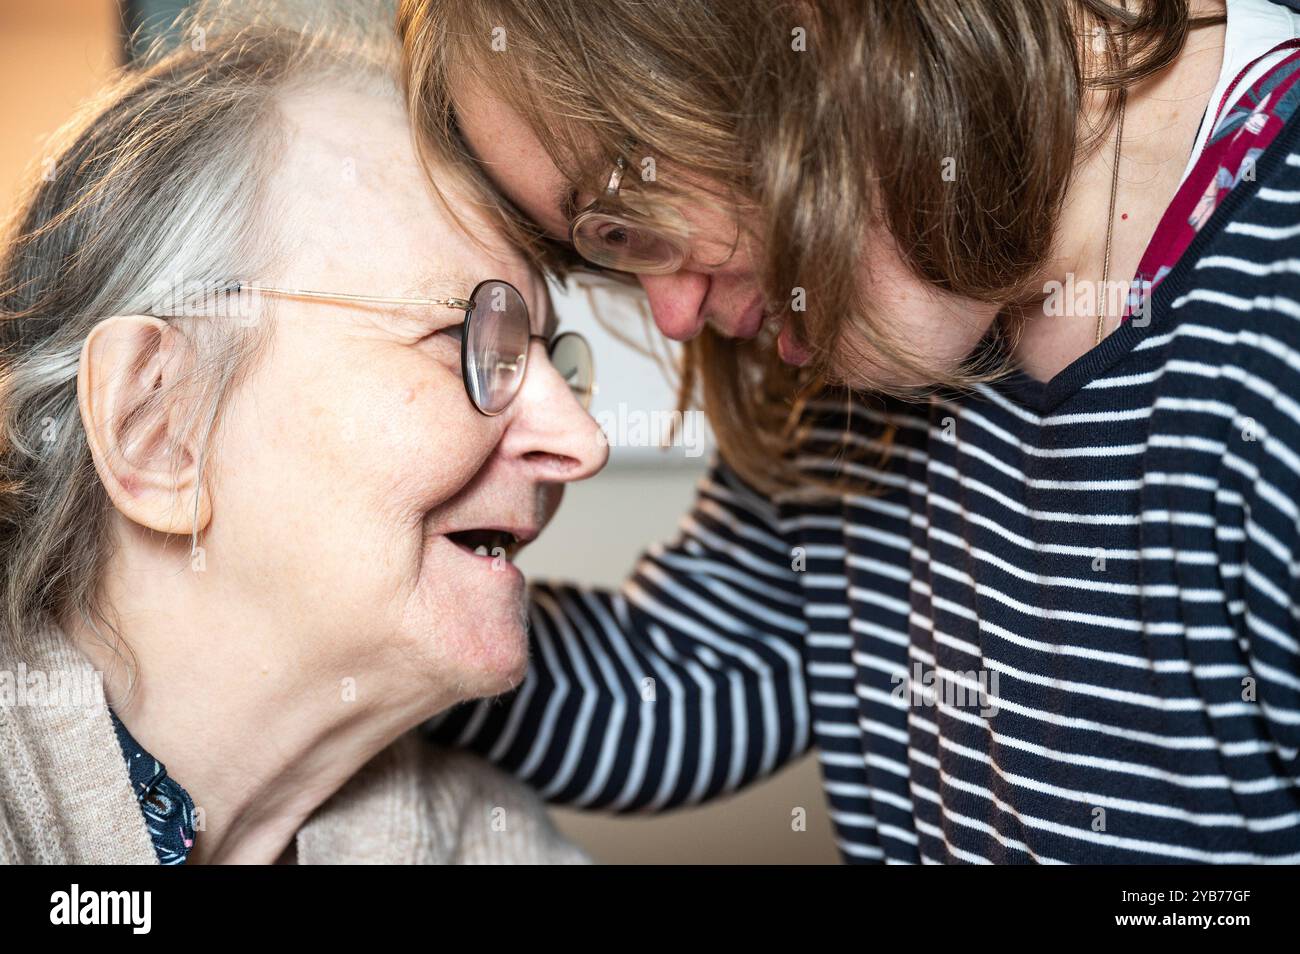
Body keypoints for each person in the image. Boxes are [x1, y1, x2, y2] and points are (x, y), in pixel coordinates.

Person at [403, 0, 1300, 862]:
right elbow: (687, 675)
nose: (674, 315)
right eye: (610, 248)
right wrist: (384, 611)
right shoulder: (856, 349)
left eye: (632, 199)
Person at [0, 8, 604, 864]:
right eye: (462, 340)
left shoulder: (477, 838)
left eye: (550, 359)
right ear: (159, 427)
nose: (582, 441)